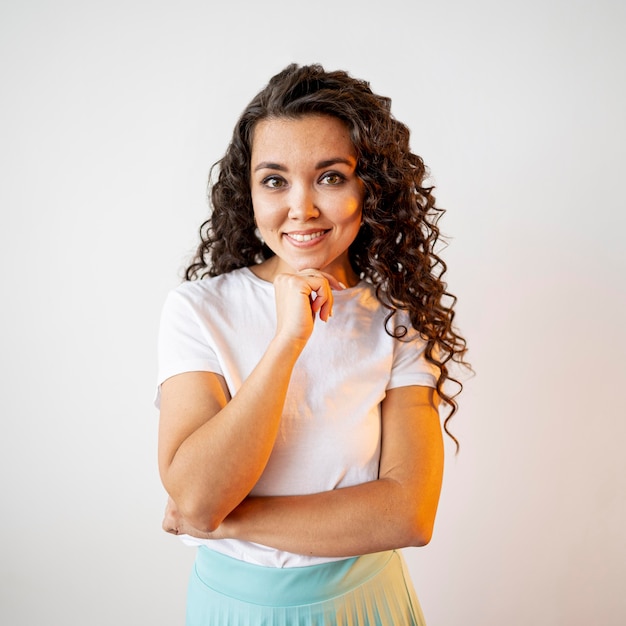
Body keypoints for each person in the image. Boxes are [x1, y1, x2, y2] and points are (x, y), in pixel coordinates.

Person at [156, 63, 468, 625]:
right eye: (274, 180)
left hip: (363, 604)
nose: (301, 208)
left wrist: (229, 521)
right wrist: (288, 339)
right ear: (247, 192)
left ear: (369, 187)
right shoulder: (199, 310)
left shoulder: (398, 322)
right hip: (230, 608)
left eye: (330, 176)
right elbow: (199, 493)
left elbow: (408, 514)